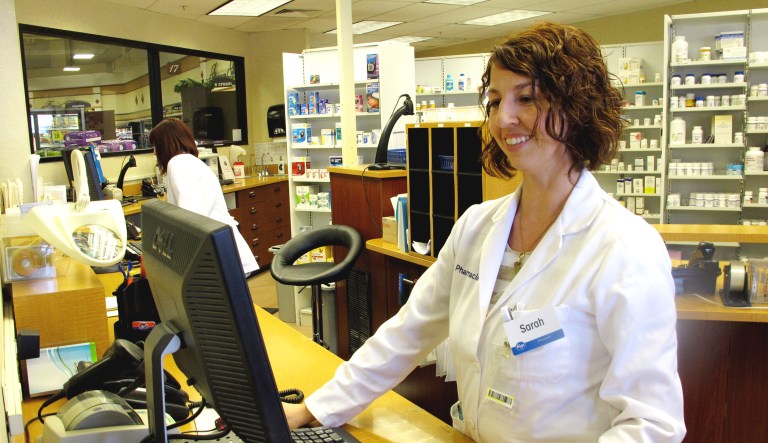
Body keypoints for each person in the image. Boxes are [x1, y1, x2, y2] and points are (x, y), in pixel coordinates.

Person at [284, 22, 685, 442]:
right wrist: (316, 408)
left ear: (577, 107)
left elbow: (652, 425)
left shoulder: (624, 248)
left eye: (526, 98)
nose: (503, 118)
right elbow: (407, 332)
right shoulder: (476, 227)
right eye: (494, 101)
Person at [148, 118, 258, 276]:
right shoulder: (189, 161)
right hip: (220, 246)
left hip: (215, 252)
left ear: (165, 144)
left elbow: (190, 219)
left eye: (156, 146)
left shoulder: (178, 163)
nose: (154, 152)